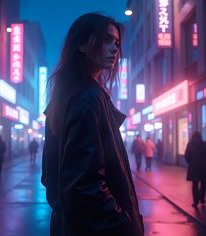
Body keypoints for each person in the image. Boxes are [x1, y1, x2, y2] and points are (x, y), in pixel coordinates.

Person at [41, 13, 144, 236]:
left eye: (116, 43)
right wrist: (124, 225)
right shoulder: (88, 99)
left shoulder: (65, 97)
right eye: (106, 40)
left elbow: (51, 177)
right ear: (82, 44)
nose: (115, 49)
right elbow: (84, 187)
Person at [184, 131, 206, 208]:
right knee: (203, 183)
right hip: (204, 167)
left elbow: (186, 156)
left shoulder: (190, 144)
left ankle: (195, 201)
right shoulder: (204, 144)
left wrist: (191, 162)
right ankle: (202, 198)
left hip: (194, 167)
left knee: (195, 185)